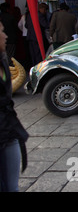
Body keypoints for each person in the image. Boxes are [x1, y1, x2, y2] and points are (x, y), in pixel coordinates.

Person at [0, 21, 29, 192]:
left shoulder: (3, 59)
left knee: (12, 187)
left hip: (10, 132)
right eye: (1, 32)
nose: (5, 36)